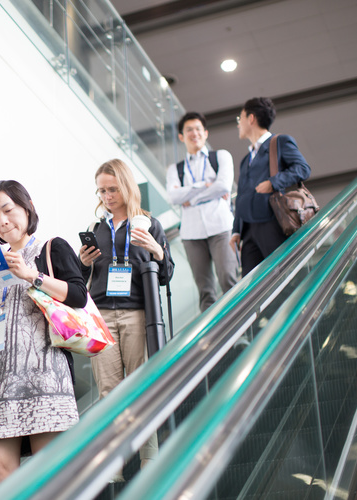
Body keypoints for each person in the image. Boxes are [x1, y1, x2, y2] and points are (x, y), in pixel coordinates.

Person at [0, 180, 87, 490]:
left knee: (50, 478)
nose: (2, 220)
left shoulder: (50, 248)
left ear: (26, 209)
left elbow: (79, 296)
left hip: (45, 378)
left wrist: (32, 276)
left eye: (7, 210)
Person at [79, 159, 174, 471]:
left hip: (136, 312)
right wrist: (83, 262)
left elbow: (166, 274)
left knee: (139, 385)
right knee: (109, 390)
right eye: (102, 191)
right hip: (101, 314)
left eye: (113, 189)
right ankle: (115, 462)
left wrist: (157, 251)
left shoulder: (149, 224)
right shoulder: (96, 229)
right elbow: (81, 279)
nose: (107, 196)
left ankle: (149, 456)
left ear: (126, 186)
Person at [230, 97, 311, 276]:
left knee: (281, 276)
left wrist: (273, 182)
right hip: (248, 231)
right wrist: (236, 230)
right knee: (251, 286)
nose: (238, 124)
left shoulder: (279, 142)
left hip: (271, 222)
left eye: (240, 119)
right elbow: (241, 194)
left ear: (251, 118)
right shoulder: (245, 160)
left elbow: (302, 169)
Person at [166, 111, 238, 312]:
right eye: (189, 130)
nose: (194, 133)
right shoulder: (175, 169)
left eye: (198, 129)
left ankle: (241, 333)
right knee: (205, 291)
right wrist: (205, 187)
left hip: (221, 227)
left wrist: (190, 196)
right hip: (191, 234)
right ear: (181, 136)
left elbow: (224, 186)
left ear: (205, 133)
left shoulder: (221, 156)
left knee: (228, 280)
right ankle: (214, 341)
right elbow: (172, 197)